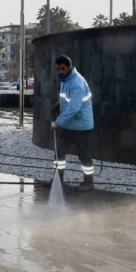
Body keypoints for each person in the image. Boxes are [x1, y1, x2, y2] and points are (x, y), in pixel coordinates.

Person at [47, 55, 95, 192]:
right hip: (69, 124)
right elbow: (67, 100)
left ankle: (89, 183)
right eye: (58, 69)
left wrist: (57, 123)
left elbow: (74, 108)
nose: (60, 71)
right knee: (59, 152)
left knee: (83, 154)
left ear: (70, 67)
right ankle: (57, 180)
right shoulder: (65, 79)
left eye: (63, 68)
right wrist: (59, 105)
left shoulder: (77, 83)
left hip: (81, 126)